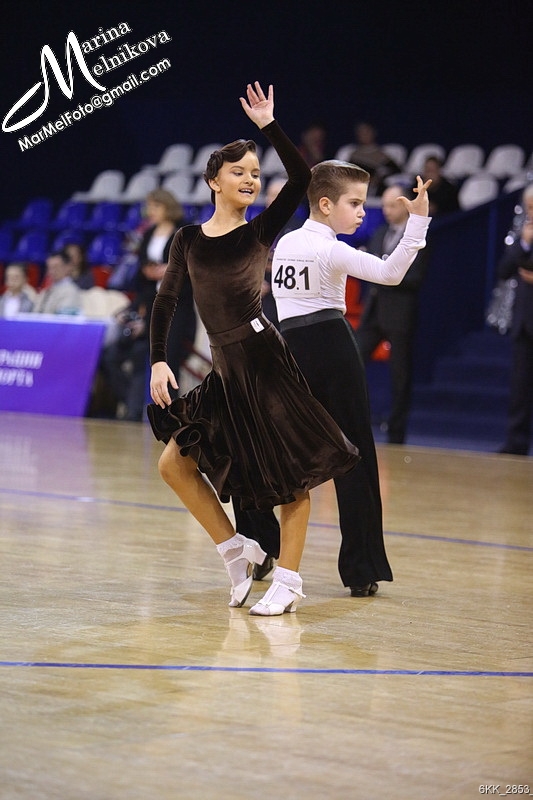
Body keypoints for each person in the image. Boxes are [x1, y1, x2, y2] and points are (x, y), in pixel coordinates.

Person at [148, 82, 360, 616]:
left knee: (290, 476)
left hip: (265, 363)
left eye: (256, 173)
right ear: (213, 181)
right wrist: (158, 358)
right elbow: (166, 300)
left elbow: (302, 178)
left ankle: (289, 579)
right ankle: (235, 549)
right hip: (225, 371)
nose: (250, 179)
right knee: (173, 465)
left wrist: (269, 126)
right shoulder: (188, 239)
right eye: (239, 171)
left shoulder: (260, 231)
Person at [271, 161, 431, 596]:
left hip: (289, 349)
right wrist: (418, 222)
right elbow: (391, 273)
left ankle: (262, 546)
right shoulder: (331, 249)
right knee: (355, 454)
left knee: (279, 454)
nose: (363, 212)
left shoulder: (286, 243)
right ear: (325, 204)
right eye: (355, 203)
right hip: (332, 348)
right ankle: (361, 568)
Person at [99, 189, 196, 421]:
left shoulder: (184, 231)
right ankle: (141, 410)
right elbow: (142, 268)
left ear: (168, 207)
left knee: (170, 357)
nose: (150, 211)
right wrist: (148, 271)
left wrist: (171, 271)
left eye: (155, 206)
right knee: (149, 357)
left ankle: (171, 414)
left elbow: (193, 266)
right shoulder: (149, 233)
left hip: (177, 305)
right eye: (149, 207)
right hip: (153, 302)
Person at [355, 184, 431, 444]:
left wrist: (386, 273)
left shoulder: (417, 238)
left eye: (392, 205)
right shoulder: (379, 232)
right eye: (385, 205)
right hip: (373, 311)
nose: (386, 210)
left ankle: (397, 432)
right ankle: (354, 422)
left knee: (400, 375)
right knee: (353, 360)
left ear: (405, 205)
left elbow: (415, 277)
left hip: (400, 314)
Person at [497, 183, 533, 456]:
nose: (530, 212)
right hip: (524, 321)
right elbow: (505, 270)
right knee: (520, 387)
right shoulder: (523, 234)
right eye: (528, 207)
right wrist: (524, 243)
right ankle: (516, 443)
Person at [347, 121, 400, 197]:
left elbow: (395, 171)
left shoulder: (382, 155)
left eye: (367, 132)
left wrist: (378, 177)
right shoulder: (353, 154)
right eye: (361, 133)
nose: (364, 135)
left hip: (378, 191)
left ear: (373, 133)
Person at [32, 249, 82, 314]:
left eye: (55, 267)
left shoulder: (71, 292)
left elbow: (62, 317)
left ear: (68, 267)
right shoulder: (46, 291)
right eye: (49, 267)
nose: (51, 271)